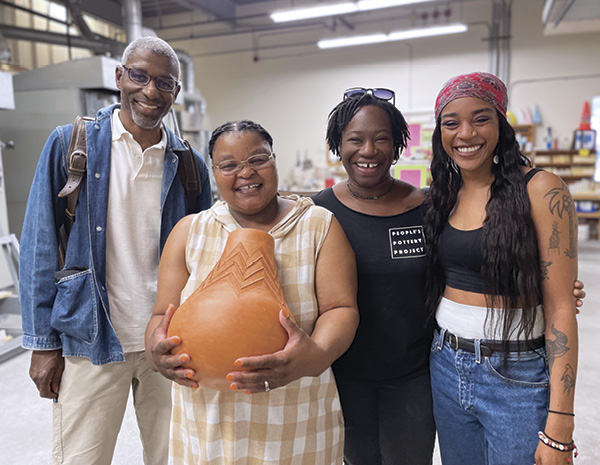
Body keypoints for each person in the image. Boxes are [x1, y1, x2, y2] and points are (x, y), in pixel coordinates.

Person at [19, 36, 212, 465]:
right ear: (120, 77)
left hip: (171, 340)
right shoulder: (72, 145)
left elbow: (205, 258)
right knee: (82, 459)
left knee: (176, 457)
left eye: (164, 83)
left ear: (175, 93)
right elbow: (38, 246)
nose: (150, 91)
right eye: (140, 76)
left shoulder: (190, 167)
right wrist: (42, 344)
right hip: (90, 336)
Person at [145, 120, 359, 465]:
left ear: (275, 160)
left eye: (258, 159)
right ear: (214, 172)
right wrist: (156, 351)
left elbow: (341, 308)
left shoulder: (318, 225)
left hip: (294, 414)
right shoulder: (190, 232)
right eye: (229, 165)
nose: (245, 173)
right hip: (208, 421)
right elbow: (160, 314)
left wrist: (315, 355)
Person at [424, 72, 579, 465]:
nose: (465, 133)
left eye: (480, 118)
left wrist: (561, 422)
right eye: (451, 122)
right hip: (445, 363)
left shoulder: (541, 189)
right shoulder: (443, 194)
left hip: (516, 372)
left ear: (500, 124)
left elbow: (561, 306)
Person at [311, 89, 436, 465]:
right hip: (344, 375)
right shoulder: (318, 212)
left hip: (415, 376)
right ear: (338, 144)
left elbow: (468, 260)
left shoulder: (428, 207)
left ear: (398, 144)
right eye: (355, 139)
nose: (368, 150)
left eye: (381, 138)